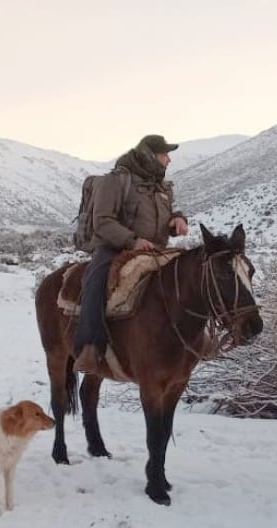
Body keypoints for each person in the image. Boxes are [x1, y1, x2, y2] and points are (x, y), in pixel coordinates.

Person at [73, 134, 189, 372]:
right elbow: (102, 221)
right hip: (116, 248)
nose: (168, 160)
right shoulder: (115, 181)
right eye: (164, 154)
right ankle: (90, 347)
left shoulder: (162, 187)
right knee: (95, 280)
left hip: (156, 250)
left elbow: (163, 215)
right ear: (150, 155)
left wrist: (177, 218)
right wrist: (132, 240)